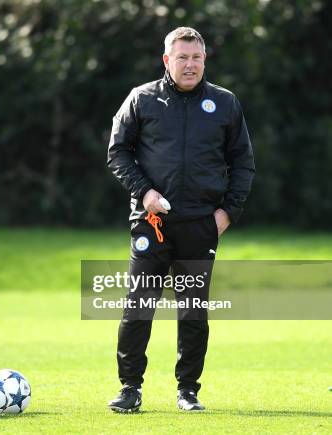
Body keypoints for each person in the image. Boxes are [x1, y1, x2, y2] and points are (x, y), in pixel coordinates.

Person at [106, 27, 255, 412]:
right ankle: (130, 388)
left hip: (200, 225)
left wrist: (227, 213)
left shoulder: (224, 103)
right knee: (138, 306)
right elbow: (118, 152)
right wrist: (145, 193)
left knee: (192, 311)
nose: (190, 65)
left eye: (197, 58)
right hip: (151, 223)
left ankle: (187, 390)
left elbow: (243, 162)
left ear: (205, 61)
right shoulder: (142, 99)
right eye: (182, 57)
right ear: (166, 60)